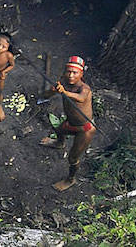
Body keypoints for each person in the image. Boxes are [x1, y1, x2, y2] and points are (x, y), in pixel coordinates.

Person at [40, 56, 96, 191]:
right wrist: (52, 91)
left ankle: (71, 179)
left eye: (75, 72)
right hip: (70, 122)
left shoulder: (85, 89)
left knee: (73, 157)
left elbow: (81, 98)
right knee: (59, 130)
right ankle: (60, 143)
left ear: (81, 74)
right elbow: (45, 96)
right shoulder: (63, 83)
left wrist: (64, 92)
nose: (71, 75)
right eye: (68, 72)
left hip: (85, 129)